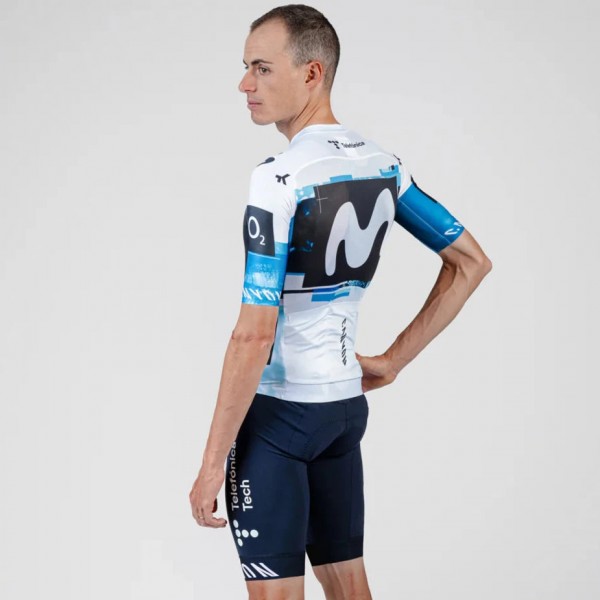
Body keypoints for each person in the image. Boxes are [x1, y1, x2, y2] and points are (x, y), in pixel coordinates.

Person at [189, 5, 492, 599]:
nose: (245, 84)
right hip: (343, 412)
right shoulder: (384, 165)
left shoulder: (278, 177)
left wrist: (211, 464)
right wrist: (393, 361)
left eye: (261, 68)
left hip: (279, 416)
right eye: (245, 67)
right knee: (351, 588)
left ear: (312, 73)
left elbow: (253, 334)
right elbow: (471, 262)